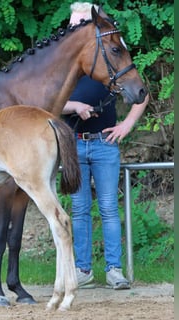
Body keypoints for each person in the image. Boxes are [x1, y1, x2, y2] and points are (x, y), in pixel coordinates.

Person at [62, 2, 149, 290]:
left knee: (109, 208)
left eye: (82, 22)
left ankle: (114, 269)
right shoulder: (65, 62)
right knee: (79, 209)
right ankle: (83, 269)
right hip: (74, 144)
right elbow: (46, 101)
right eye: (73, 23)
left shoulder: (108, 52)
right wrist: (74, 106)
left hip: (104, 144)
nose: (75, 28)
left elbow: (141, 91)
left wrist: (127, 125)